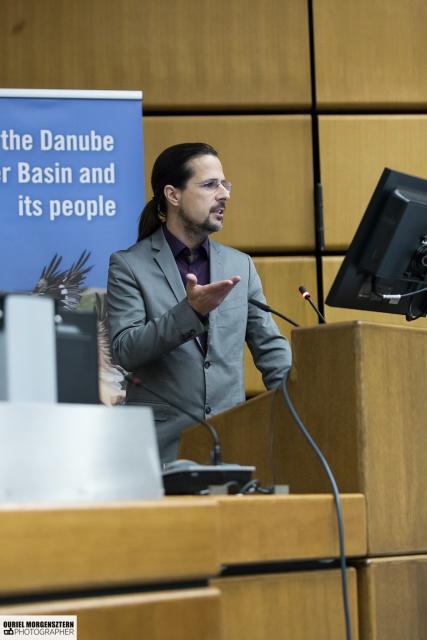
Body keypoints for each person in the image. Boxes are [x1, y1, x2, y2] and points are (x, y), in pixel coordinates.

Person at [107, 143, 291, 462]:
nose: (224, 194)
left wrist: (307, 400)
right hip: (160, 453)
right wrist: (189, 313)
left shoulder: (240, 266)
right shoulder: (129, 265)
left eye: (224, 184)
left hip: (232, 447)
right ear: (173, 195)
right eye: (209, 185)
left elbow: (271, 350)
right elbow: (125, 349)